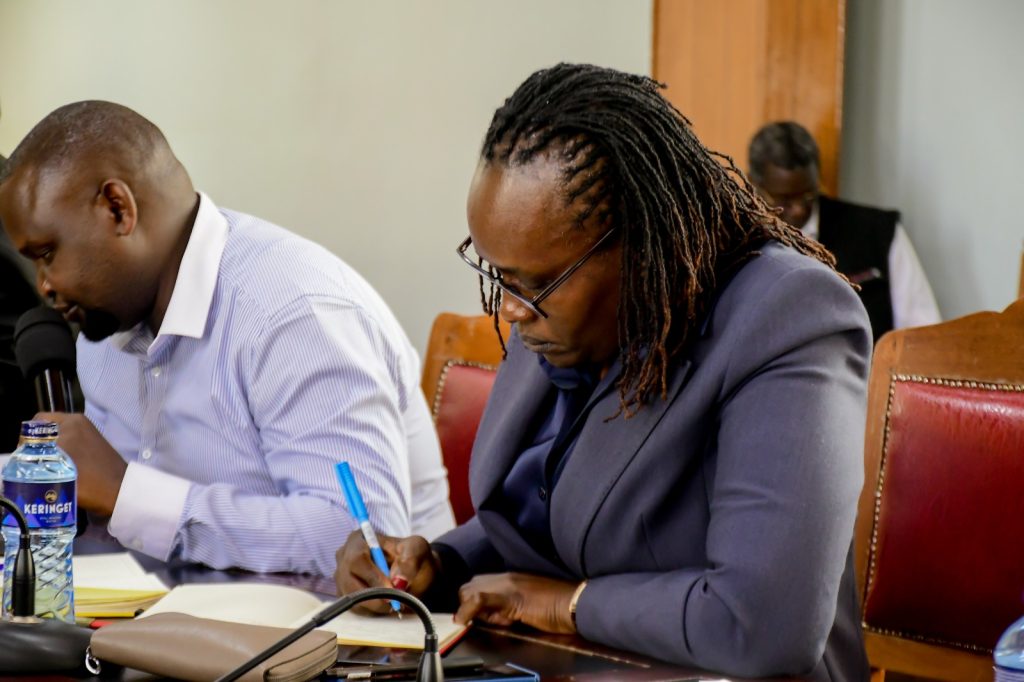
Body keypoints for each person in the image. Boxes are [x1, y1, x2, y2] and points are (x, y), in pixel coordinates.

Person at [336, 64, 870, 680]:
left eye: (535, 283)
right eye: (499, 276)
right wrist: (438, 566)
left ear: (640, 243)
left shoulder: (788, 314)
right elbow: (552, 511)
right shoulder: (556, 311)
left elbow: (764, 624)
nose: (510, 309)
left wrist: (569, 605)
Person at [0, 101, 454, 576]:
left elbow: (363, 544)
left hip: (353, 622)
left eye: (47, 254)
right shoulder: (104, 329)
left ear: (118, 209)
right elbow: (130, 527)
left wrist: (125, 493)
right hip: (179, 608)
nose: (43, 285)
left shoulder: (295, 314)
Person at [748, 121, 940, 341]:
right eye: (784, 200)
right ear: (754, 185)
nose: (799, 209)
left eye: (808, 195)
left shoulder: (876, 232)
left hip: (869, 362)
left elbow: (923, 333)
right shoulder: (737, 243)